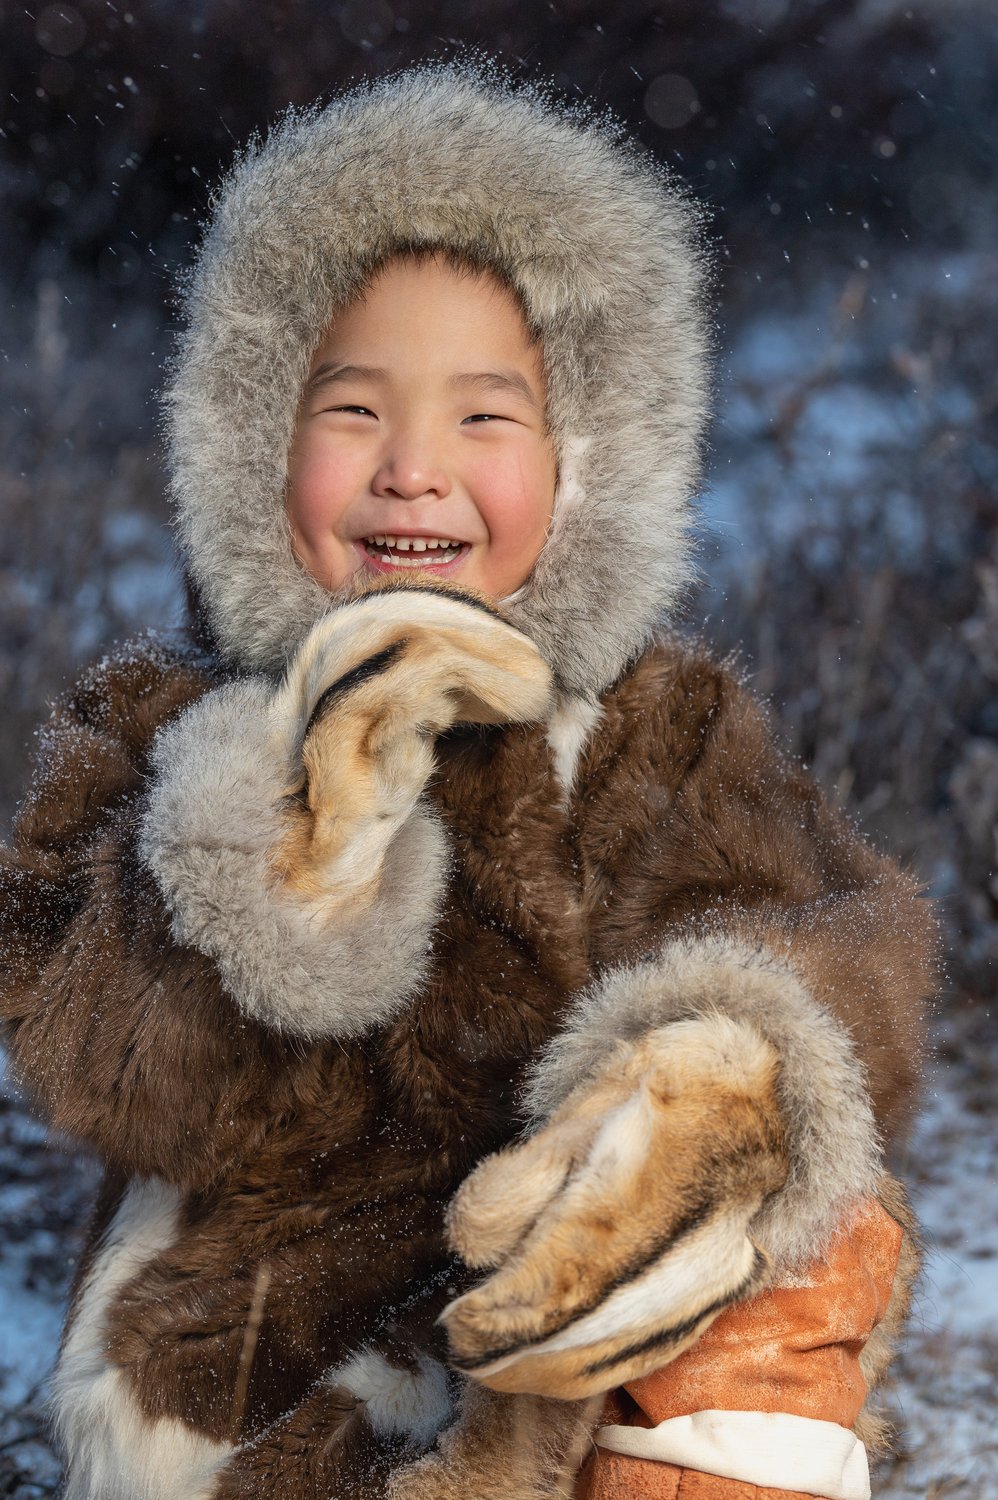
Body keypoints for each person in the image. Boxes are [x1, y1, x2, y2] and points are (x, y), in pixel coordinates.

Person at [0, 64, 935, 1500]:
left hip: (551, 1362)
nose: (412, 471)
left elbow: (830, 929)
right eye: (352, 409)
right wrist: (280, 837)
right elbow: (111, 1071)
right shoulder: (161, 724)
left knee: (797, 1188)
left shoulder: (653, 727)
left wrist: (723, 1057)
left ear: (586, 465)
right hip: (251, 1376)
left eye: (486, 419)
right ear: (253, 444)